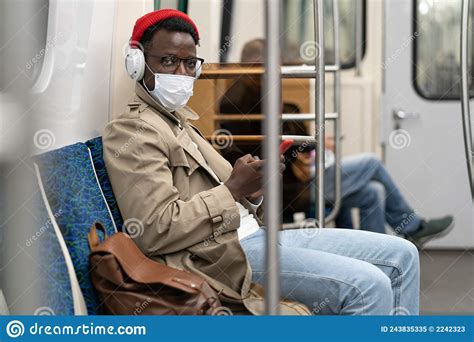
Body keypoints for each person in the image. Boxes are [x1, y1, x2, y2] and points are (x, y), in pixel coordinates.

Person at [103, 9, 420, 315]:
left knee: (403, 254)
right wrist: (231, 190)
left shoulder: (181, 122)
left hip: (253, 233)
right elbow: (153, 228)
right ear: (138, 63)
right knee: (370, 286)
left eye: (190, 64)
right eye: (169, 61)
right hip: (219, 255)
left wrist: (253, 190)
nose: (182, 74)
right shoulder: (134, 130)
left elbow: (228, 197)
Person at [221, 38, 454, 246]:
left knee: (373, 192)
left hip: (295, 178)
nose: (283, 72)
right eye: (277, 65)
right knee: (372, 163)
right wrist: (309, 145)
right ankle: (412, 228)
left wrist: (311, 145)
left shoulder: (253, 93)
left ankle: (377, 256)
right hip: (289, 188)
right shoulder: (244, 101)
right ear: (257, 64)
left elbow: (281, 141)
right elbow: (268, 152)